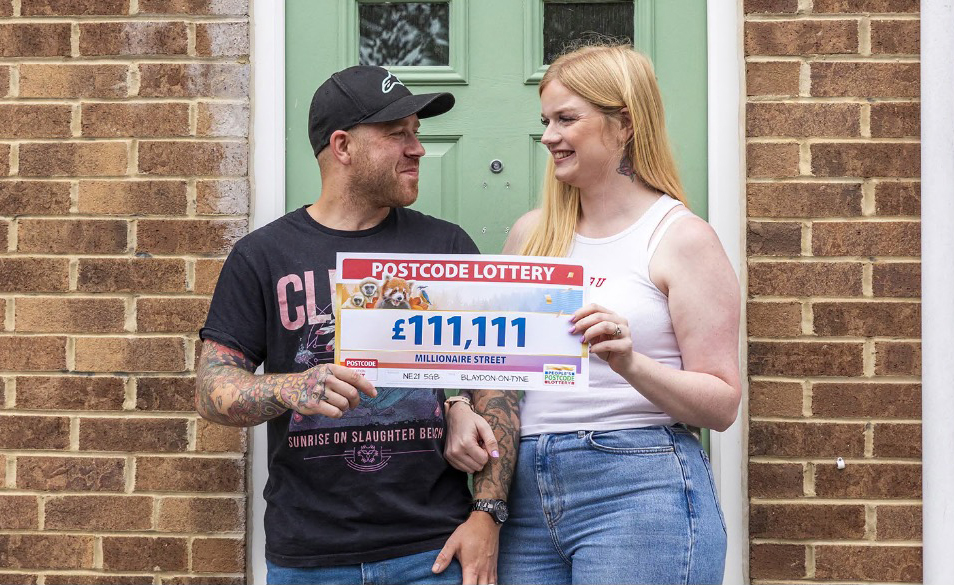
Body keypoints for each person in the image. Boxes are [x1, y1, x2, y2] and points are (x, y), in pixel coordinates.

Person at [196, 65, 517, 585]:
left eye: (417, 133)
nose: (417, 149)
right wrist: (295, 385)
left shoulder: (445, 248)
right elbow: (213, 390)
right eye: (398, 135)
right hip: (310, 558)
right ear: (342, 146)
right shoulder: (262, 256)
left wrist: (488, 513)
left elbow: (496, 387)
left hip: (432, 551)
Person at [445, 44, 742, 584]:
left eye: (566, 119)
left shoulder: (680, 238)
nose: (549, 136)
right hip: (525, 492)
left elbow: (721, 404)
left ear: (624, 123)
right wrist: (461, 405)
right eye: (546, 121)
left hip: (638, 484)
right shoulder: (531, 235)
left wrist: (632, 363)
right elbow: (501, 370)